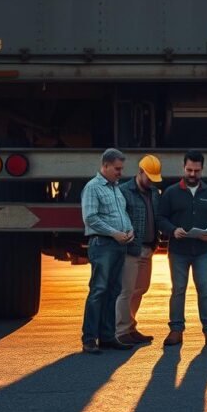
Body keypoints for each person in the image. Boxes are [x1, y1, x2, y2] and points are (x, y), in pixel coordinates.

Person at [156, 150, 207, 347]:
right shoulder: (171, 193)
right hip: (178, 251)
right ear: (183, 167)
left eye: (196, 170)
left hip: (203, 251)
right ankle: (176, 330)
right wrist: (172, 230)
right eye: (189, 170)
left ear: (202, 169)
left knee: (205, 289)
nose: (192, 174)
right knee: (178, 290)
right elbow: (160, 218)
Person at [80, 148, 135, 354]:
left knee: (113, 290)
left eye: (121, 168)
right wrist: (114, 233)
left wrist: (129, 230)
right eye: (117, 169)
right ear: (105, 166)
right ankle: (89, 339)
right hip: (103, 245)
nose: (121, 172)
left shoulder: (115, 188)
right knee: (99, 290)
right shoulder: (93, 187)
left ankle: (107, 336)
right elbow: (91, 218)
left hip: (119, 245)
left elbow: (122, 214)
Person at [115, 154, 162, 345]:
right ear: (140, 172)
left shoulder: (154, 192)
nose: (151, 181)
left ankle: (130, 326)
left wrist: (155, 243)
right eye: (149, 177)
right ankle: (120, 331)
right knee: (126, 290)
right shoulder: (124, 191)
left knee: (140, 289)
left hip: (148, 248)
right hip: (131, 249)